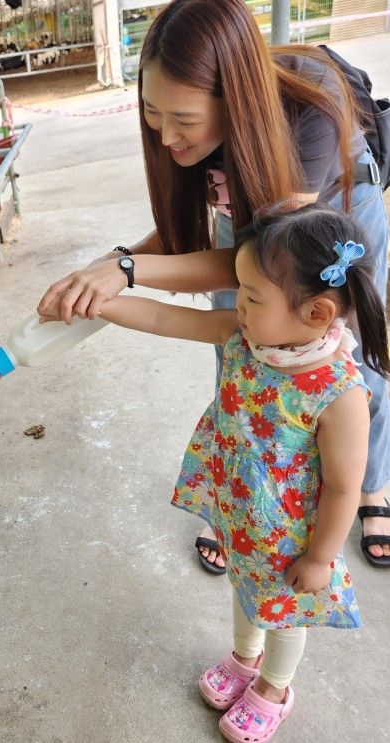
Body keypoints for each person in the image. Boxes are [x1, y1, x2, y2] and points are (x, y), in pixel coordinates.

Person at [37, 0, 390, 571]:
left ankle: (368, 484)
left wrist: (127, 272)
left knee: (348, 365)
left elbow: (266, 265)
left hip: (328, 220)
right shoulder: (191, 134)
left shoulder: (308, 113)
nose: (167, 136)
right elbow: (190, 241)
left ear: (235, 100)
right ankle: (241, 500)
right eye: (153, 113)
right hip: (258, 217)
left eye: (185, 120)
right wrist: (115, 261)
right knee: (242, 350)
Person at [41, 203, 389, 741]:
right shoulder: (250, 336)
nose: (237, 305)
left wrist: (320, 557)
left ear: (318, 313)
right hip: (240, 505)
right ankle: (244, 658)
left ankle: (275, 685)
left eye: (251, 297)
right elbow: (165, 319)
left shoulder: (338, 391)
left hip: (290, 533)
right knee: (244, 587)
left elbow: (344, 485)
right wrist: (104, 305)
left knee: (284, 609)